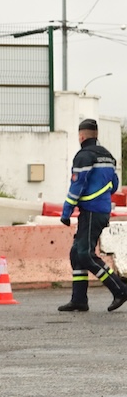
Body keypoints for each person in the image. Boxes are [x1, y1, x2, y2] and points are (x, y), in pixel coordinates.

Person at [57, 118, 127, 312]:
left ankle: (120, 289)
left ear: (81, 136)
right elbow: (113, 184)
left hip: (91, 211)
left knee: (85, 254)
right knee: (76, 253)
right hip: (102, 209)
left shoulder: (84, 156)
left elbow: (77, 185)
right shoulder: (108, 156)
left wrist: (66, 211)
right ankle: (79, 299)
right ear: (96, 135)